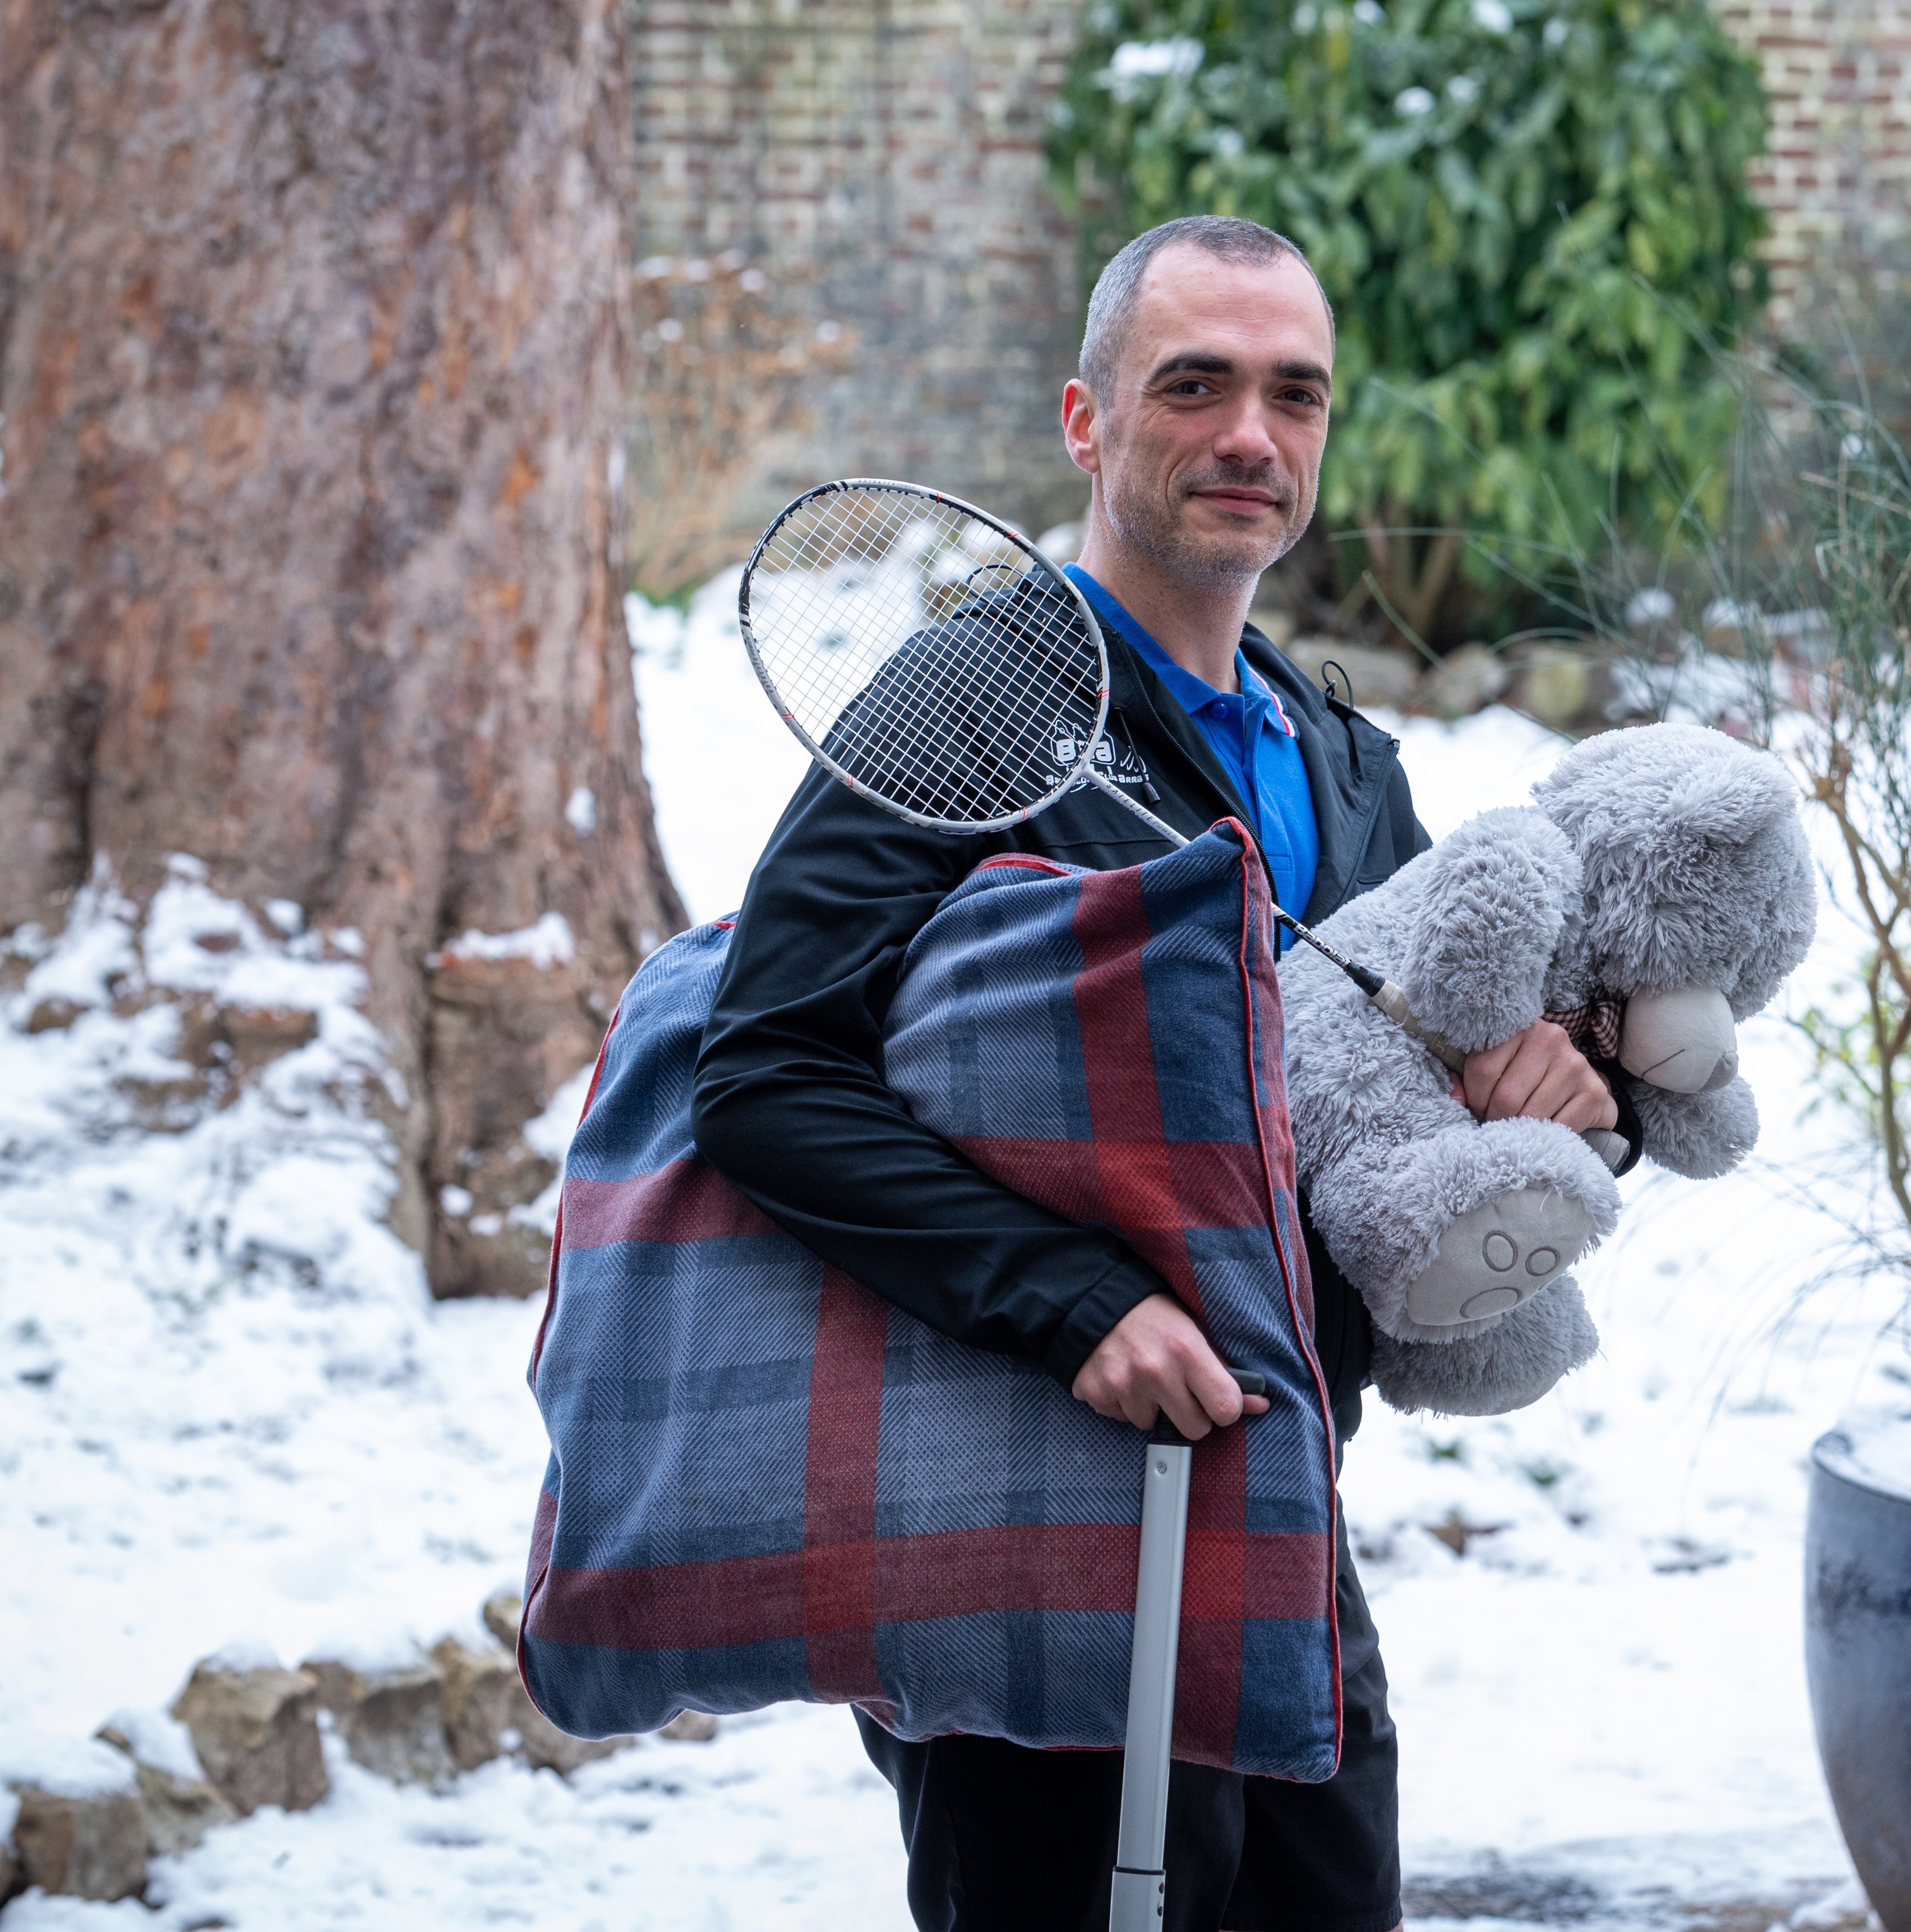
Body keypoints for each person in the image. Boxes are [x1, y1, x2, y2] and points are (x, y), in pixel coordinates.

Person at [691, 214, 1618, 1932]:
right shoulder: (973, 700)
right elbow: (762, 1073)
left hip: (1277, 1520)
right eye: (1193, 385)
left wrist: (1540, 1105)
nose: (1251, 437)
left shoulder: (1337, 755)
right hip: (1027, 1530)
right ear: (1086, 419)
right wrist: (1072, 1306)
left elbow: (1373, 1123)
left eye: (1295, 394)